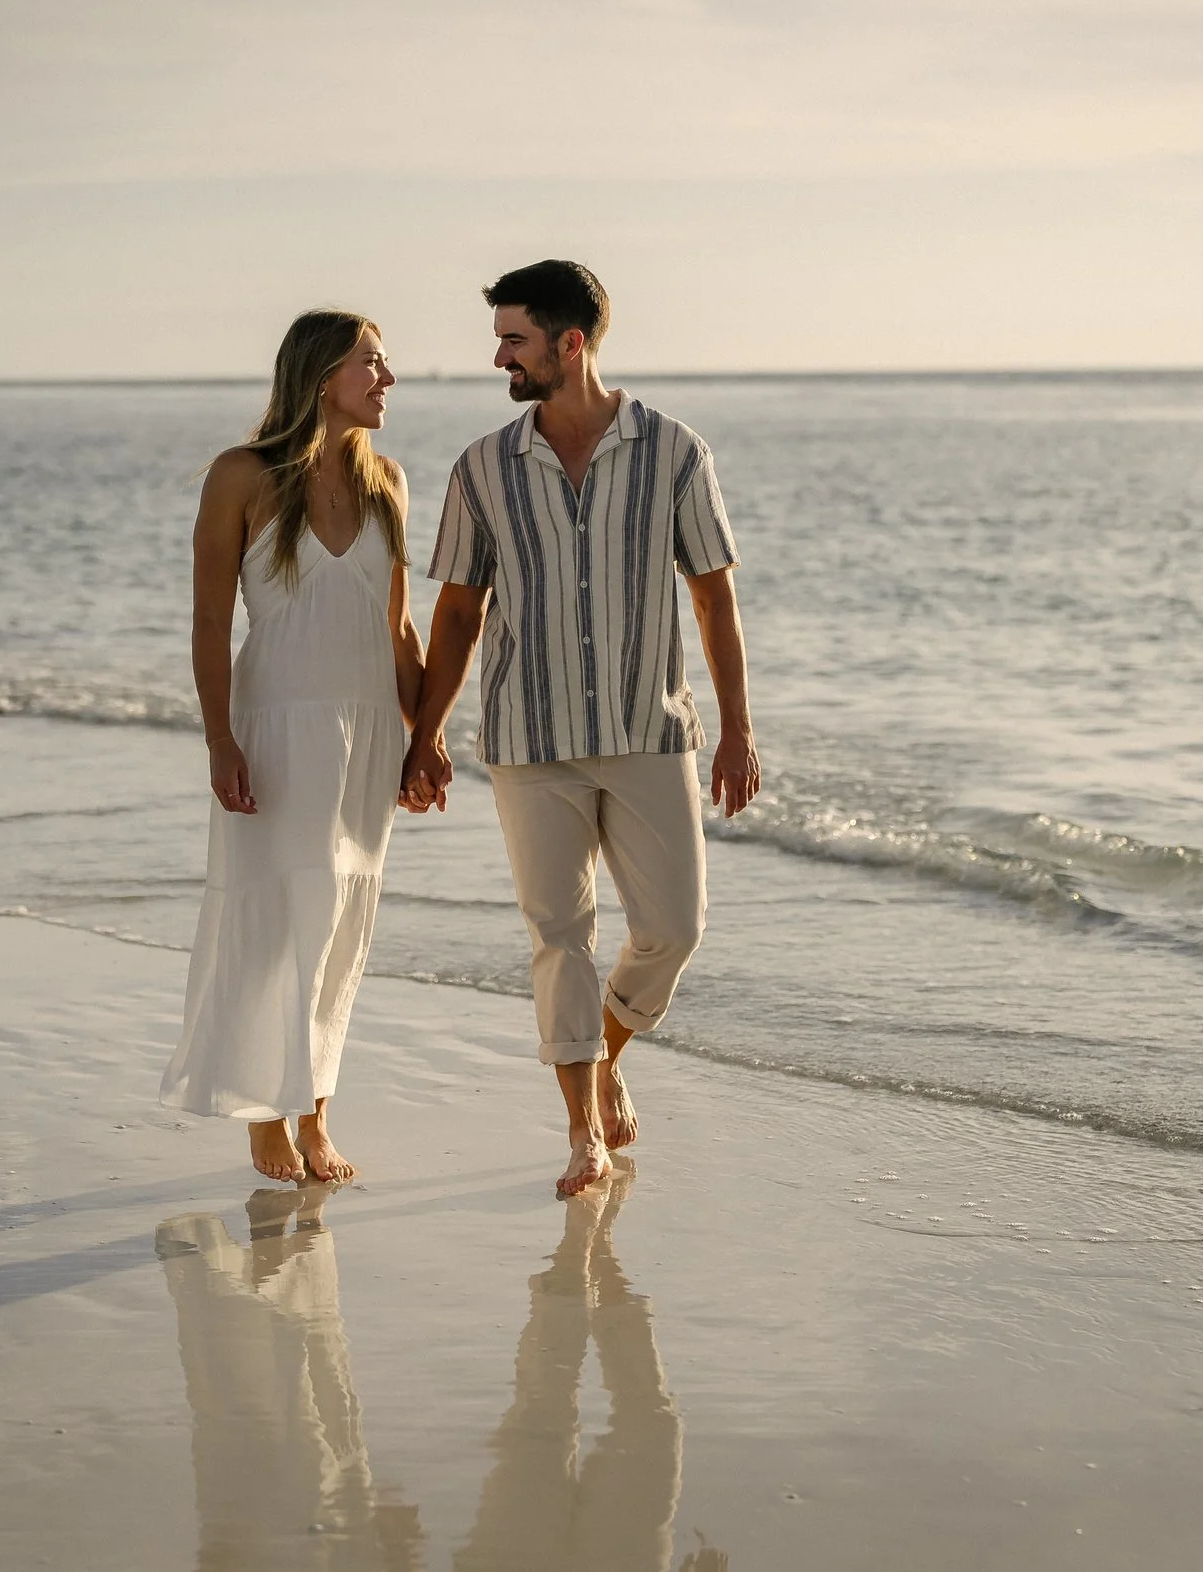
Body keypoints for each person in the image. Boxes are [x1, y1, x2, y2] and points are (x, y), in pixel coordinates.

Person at [401, 260, 759, 1198]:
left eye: (514, 340)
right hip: (531, 738)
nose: (499, 358)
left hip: (650, 730)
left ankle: (603, 1058)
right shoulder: (482, 468)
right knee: (559, 934)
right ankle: (582, 1133)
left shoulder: (675, 452)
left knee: (673, 928)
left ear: (570, 343)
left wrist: (736, 729)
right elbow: (458, 611)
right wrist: (425, 732)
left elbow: (714, 597)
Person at [162, 310, 424, 1184]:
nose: (387, 379)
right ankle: (265, 1114)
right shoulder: (241, 476)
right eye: (371, 363)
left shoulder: (389, 482)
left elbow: (399, 630)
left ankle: (315, 1111)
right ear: (321, 376)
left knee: (341, 925)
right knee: (278, 921)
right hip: (276, 723)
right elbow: (209, 620)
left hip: (369, 730)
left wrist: (427, 737)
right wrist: (218, 739)